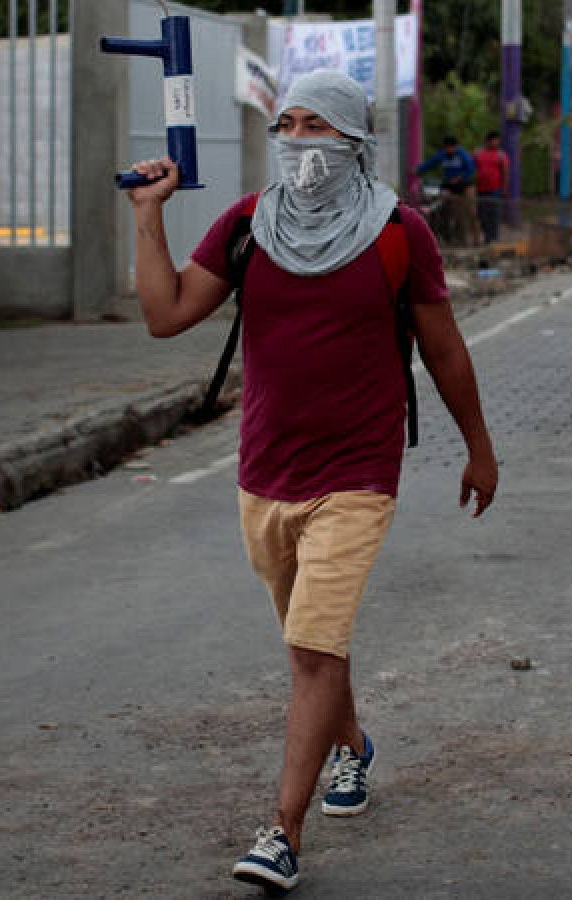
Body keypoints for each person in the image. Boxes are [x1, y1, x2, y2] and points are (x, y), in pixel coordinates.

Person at [125, 71, 498, 892]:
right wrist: (149, 218)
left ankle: (282, 832)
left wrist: (479, 447)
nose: (299, 140)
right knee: (312, 641)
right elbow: (166, 313)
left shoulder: (400, 234)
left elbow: (441, 347)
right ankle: (354, 748)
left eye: (318, 126)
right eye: (287, 123)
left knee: (309, 649)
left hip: (359, 474)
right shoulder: (250, 225)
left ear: (356, 142)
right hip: (263, 473)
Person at [416, 135, 478, 245]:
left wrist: (460, 177)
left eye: (452, 147)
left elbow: (471, 169)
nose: (449, 150)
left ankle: (476, 239)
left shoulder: (462, 155)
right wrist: (418, 170)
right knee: (457, 214)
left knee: (471, 212)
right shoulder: (442, 155)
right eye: (447, 148)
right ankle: (461, 240)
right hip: (451, 187)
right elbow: (430, 163)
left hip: (465, 186)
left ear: (456, 147)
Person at [473, 131, 510, 243]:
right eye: (493, 140)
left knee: (494, 215)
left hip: (495, 190)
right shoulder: (478, 153)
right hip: (481, 190)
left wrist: (504, 189)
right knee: (482, 215)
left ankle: (493, 238)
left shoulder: (501, 155)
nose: (495, 143)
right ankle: (487, 235)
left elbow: (505, 173)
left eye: (497, 140)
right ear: (488, 141)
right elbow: (471, 168)